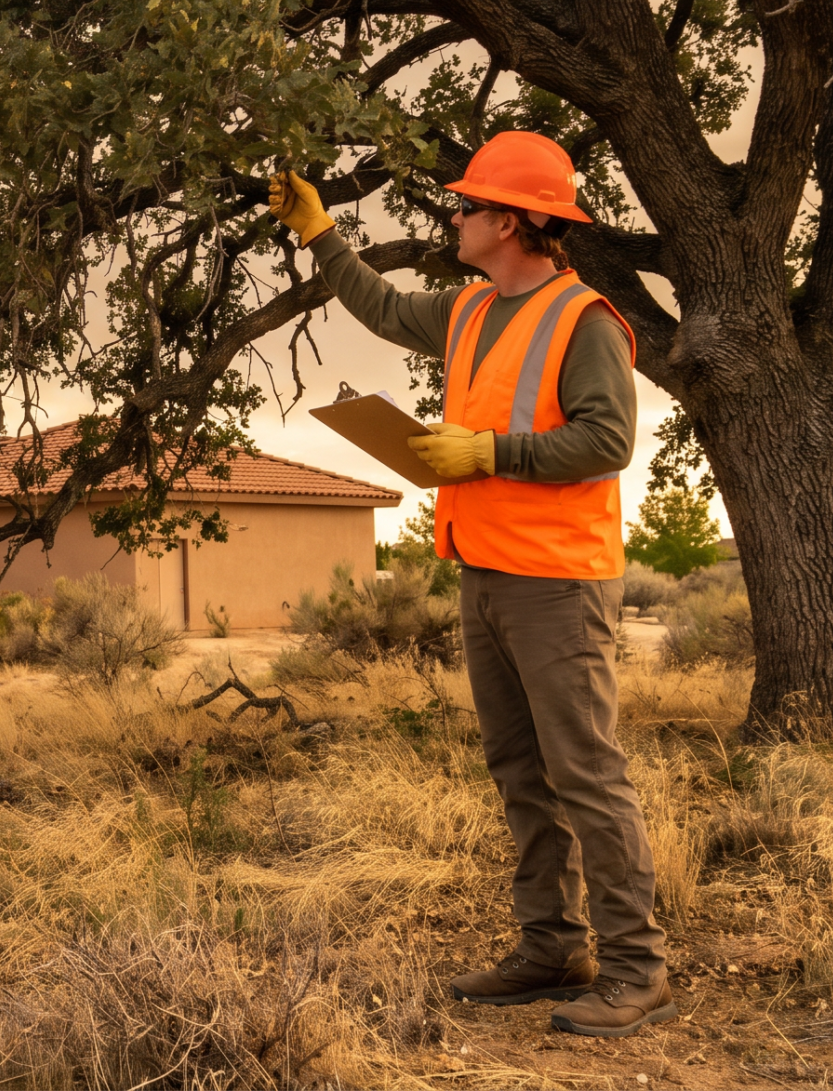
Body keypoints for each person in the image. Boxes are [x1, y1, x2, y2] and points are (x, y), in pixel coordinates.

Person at [268, 131, 673, 1038]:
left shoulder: (587, 320)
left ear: (519, 220)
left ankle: (638, 968)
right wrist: (323, 232)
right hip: (485, 573)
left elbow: (610, 442)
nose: (452, 215)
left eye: (467, 205)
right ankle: (551, 948)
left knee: (586, 774)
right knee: (520, 771)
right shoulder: (469, 309)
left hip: (558, 583)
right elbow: (379, 308)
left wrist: (492, 451)